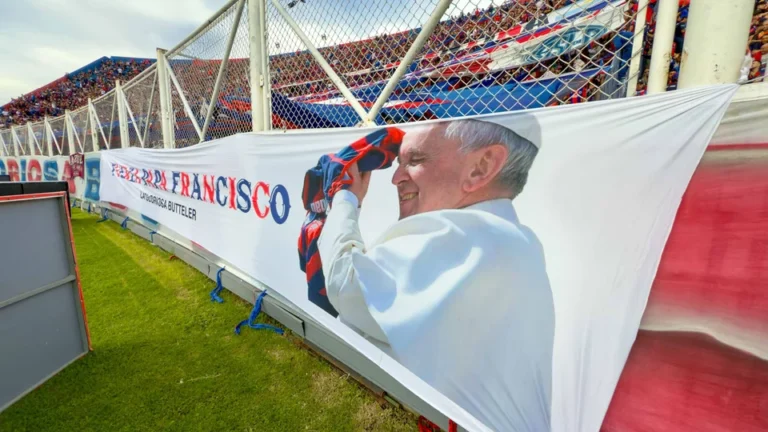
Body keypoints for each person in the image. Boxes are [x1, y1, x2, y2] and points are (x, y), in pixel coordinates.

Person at [318, 119, 555, 431]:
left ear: (481, 167)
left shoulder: (470, 235)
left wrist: (345, 198)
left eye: (415, 160)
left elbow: (347, 286)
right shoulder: (513, 238)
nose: (397, 178)